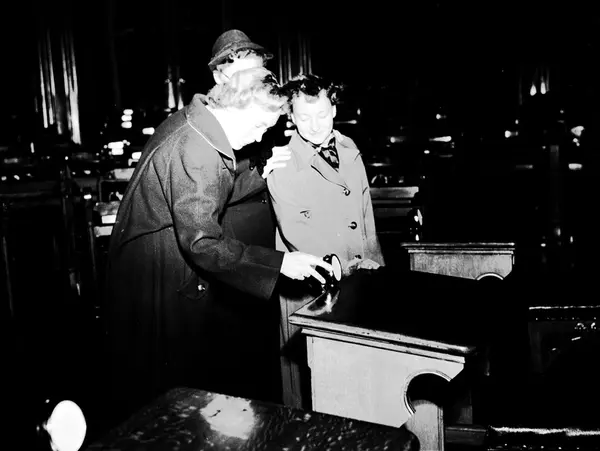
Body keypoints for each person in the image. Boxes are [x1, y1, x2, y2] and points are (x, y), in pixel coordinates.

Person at [103, 67, 333, 422]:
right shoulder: (199, 149)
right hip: (158, 267)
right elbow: (203, 242)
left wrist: (258, 175)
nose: (259, 135)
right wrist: (280, 263)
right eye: (259, 125)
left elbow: (208, 191)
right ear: (237, 105)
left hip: (154, 256)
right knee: (169, 390)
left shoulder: (199, 121)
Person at [266, 74, 385, 407]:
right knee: (309, 381)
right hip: (312, 282)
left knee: (356, 375)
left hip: (358, 274)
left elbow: (365, 215)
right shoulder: (283, 162)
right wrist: (342, 267)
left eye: (321, 114)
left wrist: (375, 265)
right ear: (291, 117)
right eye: (304, 117)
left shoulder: (349, 148)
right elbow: (294, 229)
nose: (315, 125)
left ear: (334, 109)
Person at [204, 29, 289, 404]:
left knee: (263, 348)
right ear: (220, 75)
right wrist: (259, 176)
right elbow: (217, 192)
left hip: (262, 237)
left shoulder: (264, 106)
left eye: (259, 70)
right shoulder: (213, 120)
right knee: (232, 353)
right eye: (245, 71)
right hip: (232, 240)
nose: (256, 79)